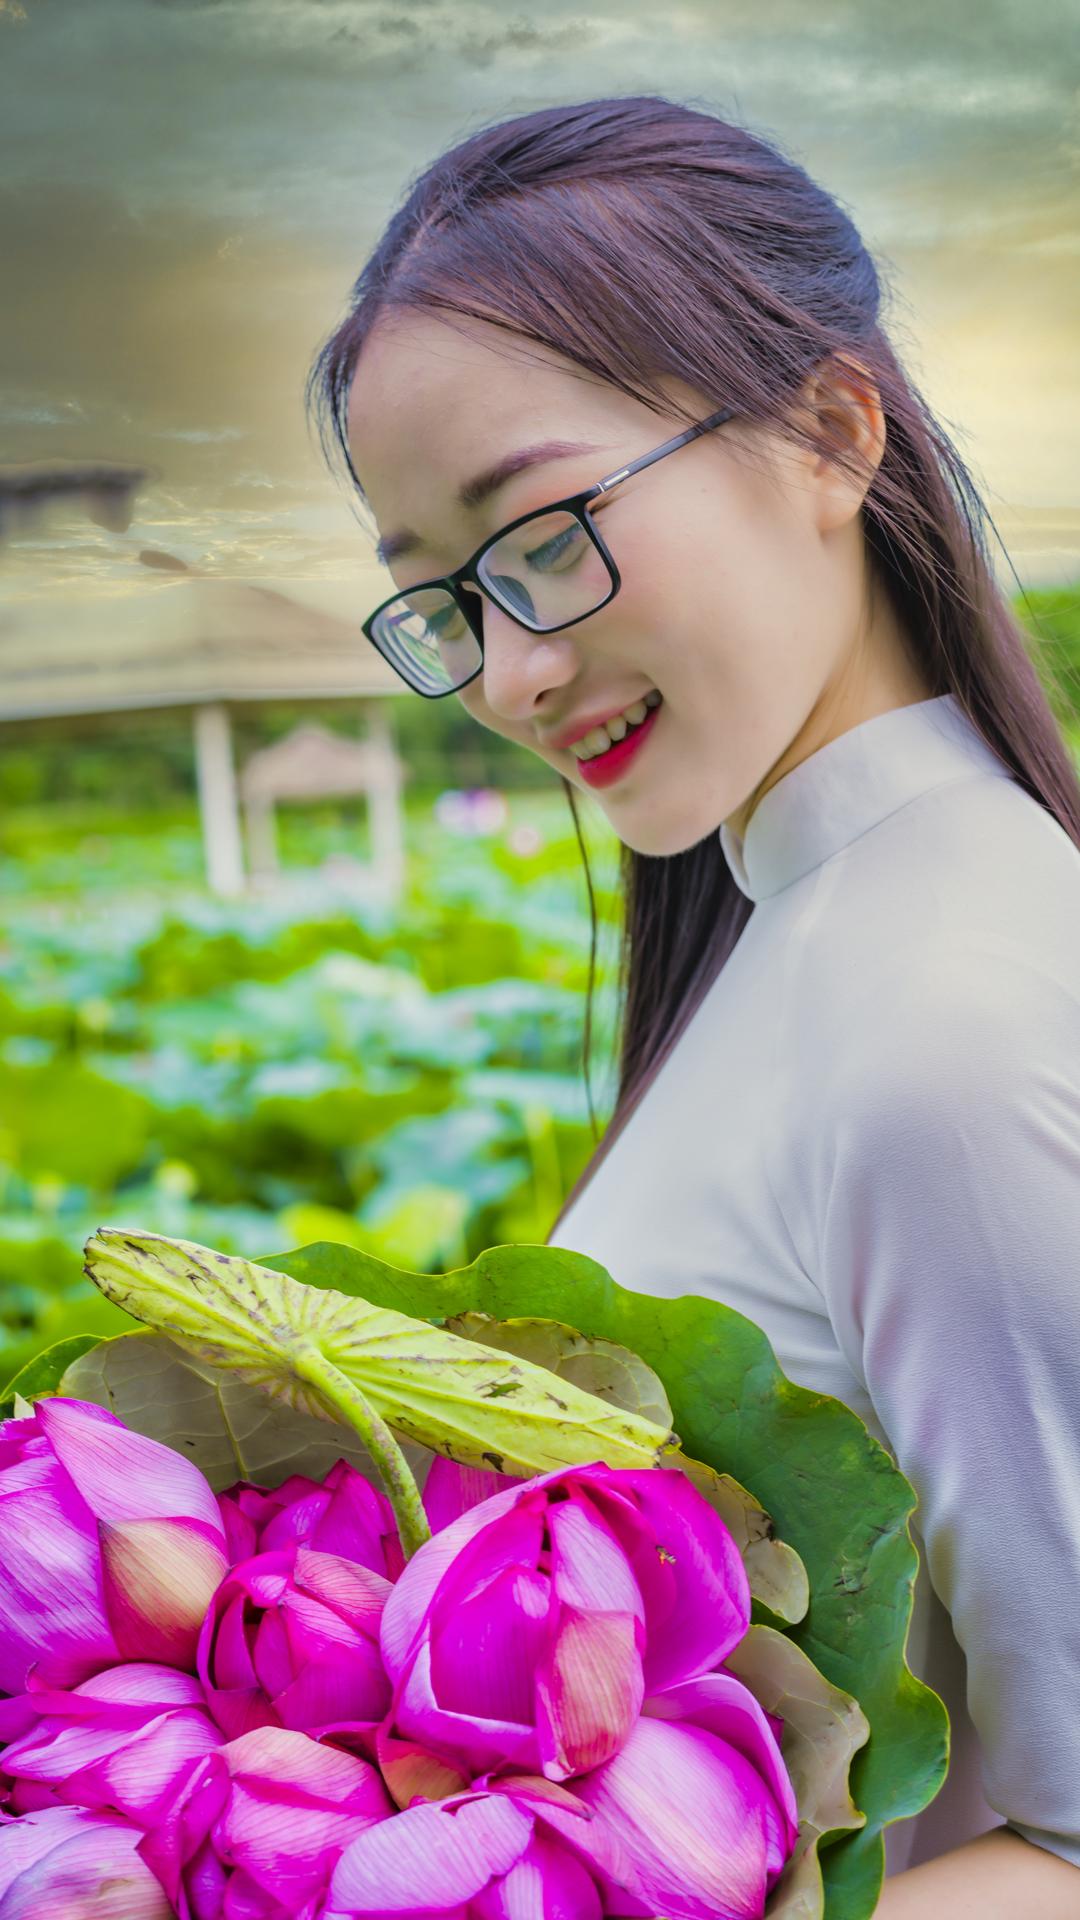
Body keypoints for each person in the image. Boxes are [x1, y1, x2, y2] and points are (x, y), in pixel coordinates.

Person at [306, 93, 1080, 1917]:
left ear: (827, 429)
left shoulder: (944, 1025)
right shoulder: (801, 942)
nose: (506, 669)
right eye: (436, 604)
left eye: (542, 534)